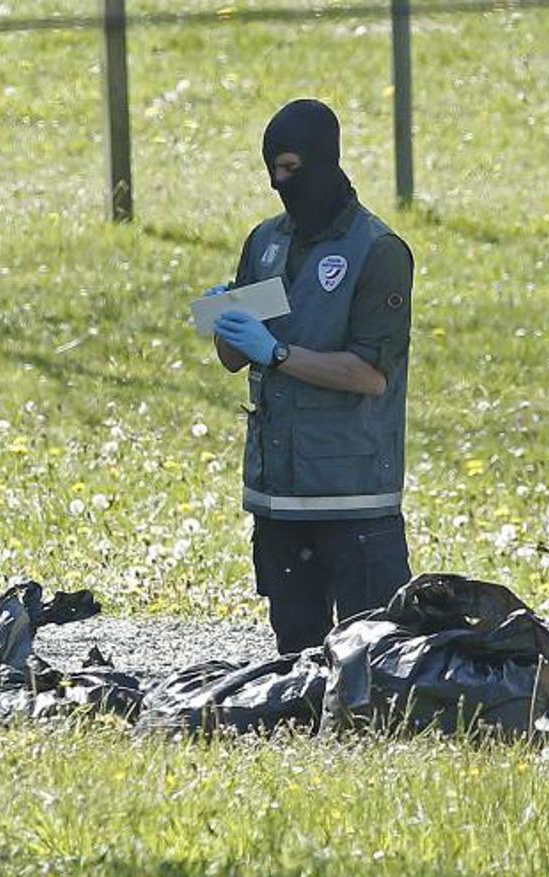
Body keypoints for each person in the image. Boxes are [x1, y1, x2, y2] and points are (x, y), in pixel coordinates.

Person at [208, 99, 414, 654]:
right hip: (279, 493)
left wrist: (276, 352)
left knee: (375, 656)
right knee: (295, 653)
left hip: (353, 495)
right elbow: (233, 359)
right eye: (271, 169)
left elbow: (372, 375)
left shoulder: (378, 251)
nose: (279, 182)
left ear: (325, 160)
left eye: (291, 168)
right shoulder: (265, 243)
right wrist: (226, 324)